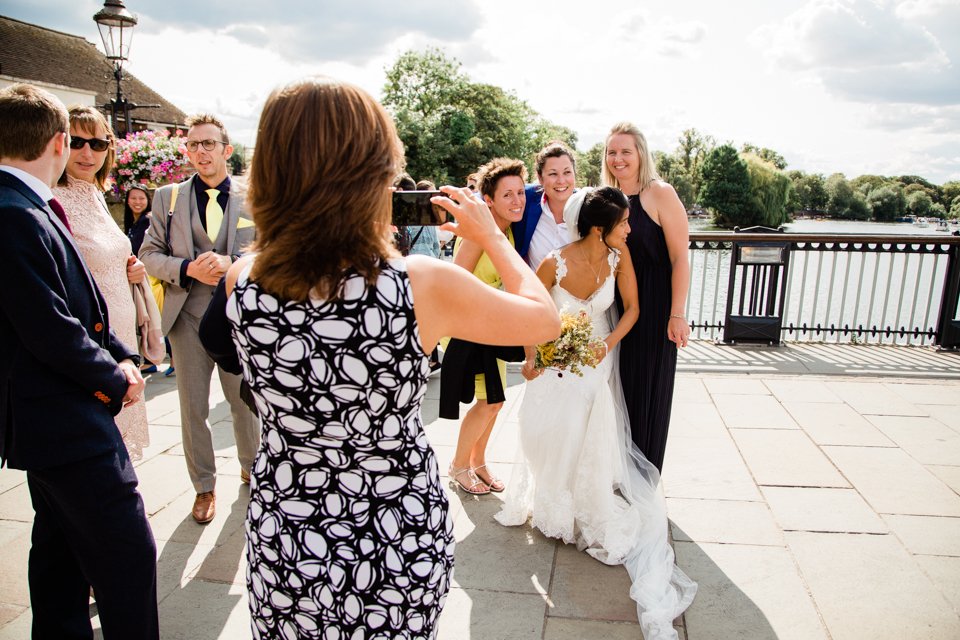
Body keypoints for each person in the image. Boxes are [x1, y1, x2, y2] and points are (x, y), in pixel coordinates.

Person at [221, 77, 559, 640]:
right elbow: (543, 320)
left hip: (286, 526)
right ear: (375, 171)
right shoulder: (419, 284)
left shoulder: (242, 279)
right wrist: (494, 237)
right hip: (391, 526)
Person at [496, 187, 696, 639]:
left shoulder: (618, 259)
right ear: (600, 228)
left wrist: (606, 344)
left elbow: (635, 311)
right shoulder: (553, 260)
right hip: (556, 360)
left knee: (590, 430)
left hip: (595, 361)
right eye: (624, 223)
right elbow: (532, 309)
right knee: (548, 431)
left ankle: (581, 502)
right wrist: (533, 356)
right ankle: (552, 498)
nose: (630, 229)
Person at [0, 83, 158, 639]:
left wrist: (121, 352)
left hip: (53, 414)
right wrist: (114, 374)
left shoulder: (26, 202)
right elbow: (48, 327)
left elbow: (78, 298)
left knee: (60, 551)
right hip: (63, 416)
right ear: (60, 142)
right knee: (128, 555)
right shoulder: (13, 212)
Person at [139, 113, 259, 524]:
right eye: (194, 145)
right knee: (193, 410)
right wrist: (188, 268)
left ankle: (251, 467)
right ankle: (204, 487)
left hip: (237, 316)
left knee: (245, 403)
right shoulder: (167, 197)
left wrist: (233, 262)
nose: (201, 152)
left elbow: (272, 247)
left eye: (209, 144)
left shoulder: (254, 195)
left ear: (227, 150)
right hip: (187, 317)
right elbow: (148, 255)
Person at [52, 105, 150, 461]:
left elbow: (105, 252)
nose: (88, 153)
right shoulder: (54, 196)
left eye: (98, 143)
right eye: (77, 142)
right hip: (91, 335)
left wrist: (131, 269)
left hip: (122, 331)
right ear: (60, 143)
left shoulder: (94, 193)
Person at [602, 122, 690, 472]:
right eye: (612, 152)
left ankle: (645, 478)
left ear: (641, 153)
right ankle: (619, 473)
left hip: (654, 310)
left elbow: (680, 257)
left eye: (626, 151)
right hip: (616, 307)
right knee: (618, 393)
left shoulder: (660, 193)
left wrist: (677, 313)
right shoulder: (608, 199)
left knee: (648, 391)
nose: (618, 158)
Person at [439, 157, 528, 495]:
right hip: (470, 329)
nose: (517, 200)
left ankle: (479, 463)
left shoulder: (502, 229)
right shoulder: (479, 233)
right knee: (489, 401)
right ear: (488, 199)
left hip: (492, 328)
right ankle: (459, 466)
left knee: (495, 400)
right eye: (508, 195)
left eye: (520, 192)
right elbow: (455, 281)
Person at [512, 141, 581, 269]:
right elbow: (490, 194)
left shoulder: (588, 206)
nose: (561, 181)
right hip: (534, 287)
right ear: (540, 178)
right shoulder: (527, 198)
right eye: (553, 174)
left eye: (567, 172)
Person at [124, 184, 152, 255]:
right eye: (133, 198)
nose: (137, 202)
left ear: (147, 200)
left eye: (142, 198)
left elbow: (136, 250)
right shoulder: (132, 222)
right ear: (128, 201)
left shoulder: (147, 220)